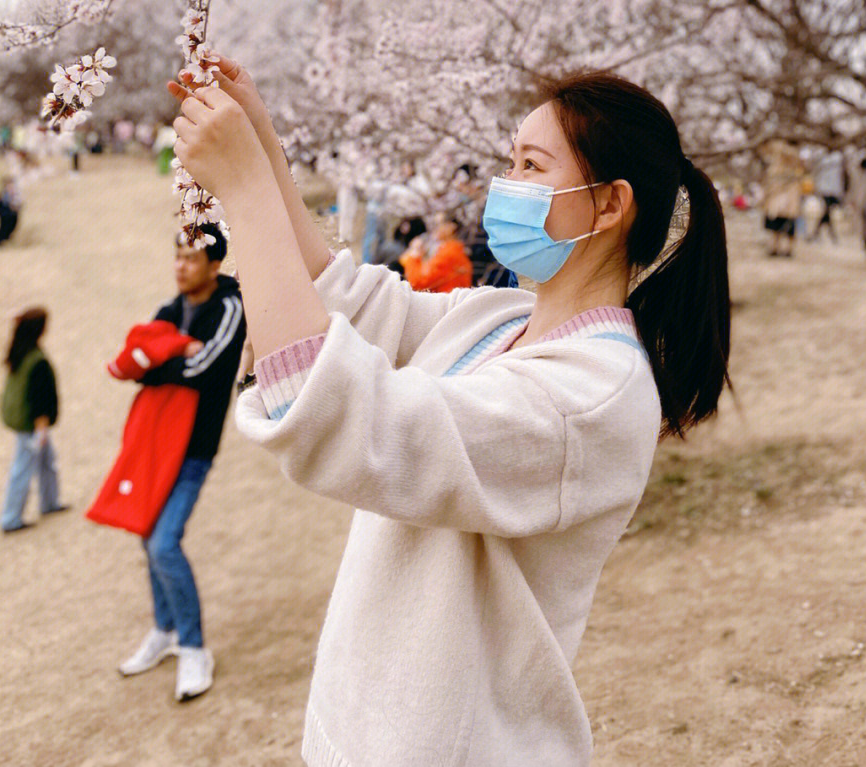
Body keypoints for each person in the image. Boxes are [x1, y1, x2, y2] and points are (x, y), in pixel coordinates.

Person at [170, 57, 731, 767]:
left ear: (611, 204)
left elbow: (333, 411)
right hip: (375, 729)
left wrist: (246, 191)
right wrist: (263, 143)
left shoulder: (592, 393)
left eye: (532, 164)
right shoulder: (504, 315)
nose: (506, 185)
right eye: (510, 160)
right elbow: (352, 300)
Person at [117, 224, 245, 703]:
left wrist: (160, 360)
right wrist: (166, 356)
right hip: (155, 442)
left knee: (165, 542)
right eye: (177, 256)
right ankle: (165, 629)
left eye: (191, 258)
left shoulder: (229, 308)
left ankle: (193, 646)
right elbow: (134, 361)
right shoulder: (170, 309)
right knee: (146, 534)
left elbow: (205, 369)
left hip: (192, 447)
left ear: (214, 265)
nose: (180, 266)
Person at [0, 307, 66, 532]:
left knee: (46, 463)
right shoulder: (37, 361)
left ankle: (50, 502)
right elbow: (40, 401)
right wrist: (41, 431)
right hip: (33, 427)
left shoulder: (19, 352)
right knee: (24, 468)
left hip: (26, 425)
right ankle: (10, 518)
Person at [399, 211, 473, 292]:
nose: (434, 228)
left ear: (452, 227)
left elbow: (417, 283)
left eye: (438, 224)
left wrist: (414, 255)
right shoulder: (454, 250)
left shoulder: (448, 254)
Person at [759, 137, 804, 258]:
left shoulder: (787, 155)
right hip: (779, 196)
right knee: (778, 224)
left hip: (785, 196)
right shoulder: (778, 162)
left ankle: (783, 248)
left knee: (785, 224)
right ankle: (776, 247)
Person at [808, 148, 845, 242]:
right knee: (826, 210)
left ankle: (816, 234)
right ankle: (831, 235)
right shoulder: (821, 153)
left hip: (835, 188)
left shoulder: (839, 155)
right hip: (823, 187)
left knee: (826, 211)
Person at [0, 174, 22, 246]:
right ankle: (0, 242)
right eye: (8, 185)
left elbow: (18, 202)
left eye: (12, 185)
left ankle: (5, 240)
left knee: (13, 225)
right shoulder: (3, 196)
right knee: (4, 226)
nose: (11, 187)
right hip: (5, 212)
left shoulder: (16, 193)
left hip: (12, 212)